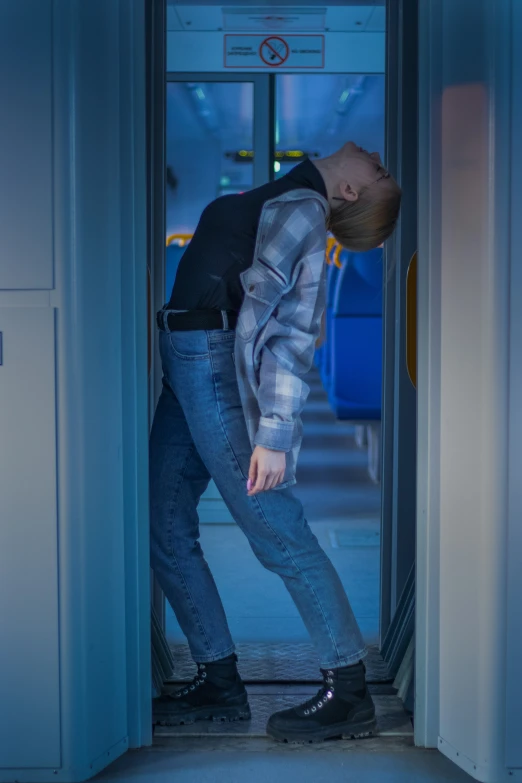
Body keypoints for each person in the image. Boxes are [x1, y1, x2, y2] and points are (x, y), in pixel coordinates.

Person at [149, 141, 402, 743]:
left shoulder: (305, 211)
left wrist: (274, 436)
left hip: (211, 366)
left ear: (349, 193)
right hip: (185, 360)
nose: (376, 157)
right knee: (163, 521)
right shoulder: (286, 195)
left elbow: (291, 333)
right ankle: (218, 679)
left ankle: (348, 688)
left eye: (380, 172)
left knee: (277, 531)